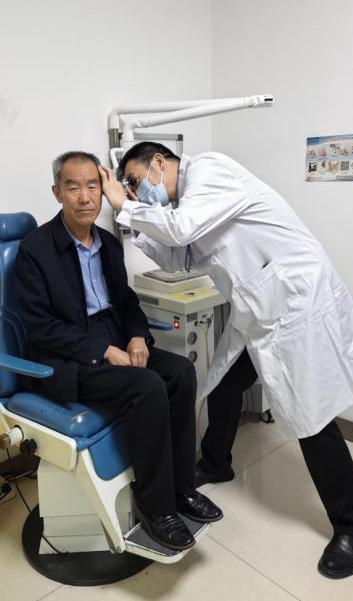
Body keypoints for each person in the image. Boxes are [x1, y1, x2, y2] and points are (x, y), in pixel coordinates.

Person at [99, 142, 353, 579]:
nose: (138, 190)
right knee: (226, 384)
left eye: (136, 180)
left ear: (158, 162)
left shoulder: (209, 171)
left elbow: (181, 228)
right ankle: (217, 463)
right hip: (259, 311)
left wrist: (124, 206)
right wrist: (135, 222)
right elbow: (179, 256)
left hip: (293, 307)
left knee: (311, 417)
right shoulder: (189, 204)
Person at [14, 150, 222, 552]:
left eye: (93, 186)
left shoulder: (108, 244)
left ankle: (181, 488)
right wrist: (102, 350)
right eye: (73, 187)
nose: (85, 197)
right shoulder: (35, 250)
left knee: (180, 372)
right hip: (69, 356)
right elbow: (40, 327)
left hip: (114, 338)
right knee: (147, 386)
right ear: (57, 193)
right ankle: (155, 504)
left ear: (103, 189)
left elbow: (126, 301)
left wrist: (138, 337)